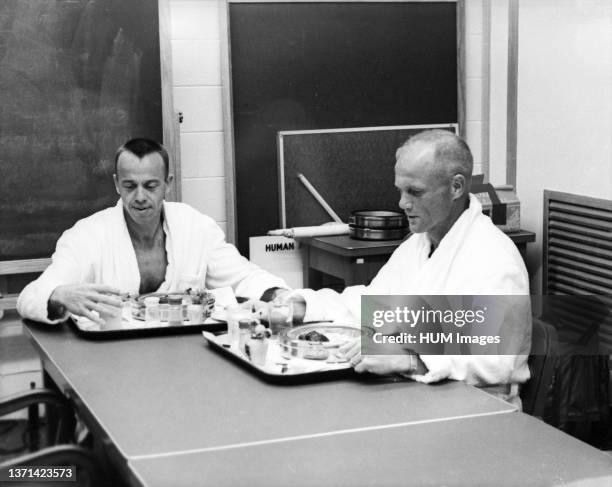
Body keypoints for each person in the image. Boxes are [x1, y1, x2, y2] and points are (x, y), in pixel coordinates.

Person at [277, 130, 531, 404]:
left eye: (415, 192)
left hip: (478, 410)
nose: (402, 203)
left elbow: (495, 361)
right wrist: (306, 306)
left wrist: (409, 358)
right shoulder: (419, 243)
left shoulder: (494, 259)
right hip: (423, 395)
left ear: (456, 187)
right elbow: (374, 306)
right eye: (400, 190)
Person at [18, 138, 287, 325]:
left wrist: (278, 296)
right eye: (129, 185)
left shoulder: (195, 226)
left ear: (168, 183)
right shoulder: (86, 236)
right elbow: (31, 297)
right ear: (116, 184)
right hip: (112, 359)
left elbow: (243, 276)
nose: (140, 197)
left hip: (184, 359)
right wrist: (57, 295)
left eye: (150, 185)